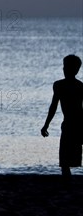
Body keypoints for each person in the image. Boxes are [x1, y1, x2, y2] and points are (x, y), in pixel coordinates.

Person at [41, 54, 83, 185]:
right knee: (65, 158)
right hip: (72, 124)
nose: (64, 69)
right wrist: (46, 125)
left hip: (75, 124)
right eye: (64, 66)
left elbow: (53, 106)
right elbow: (53, 106)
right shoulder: (71, 85)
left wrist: (46, 125)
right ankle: (67, 182)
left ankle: (67, 182)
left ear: (75, 70)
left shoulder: (66, 86)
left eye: (67, 67)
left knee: (66, 159)